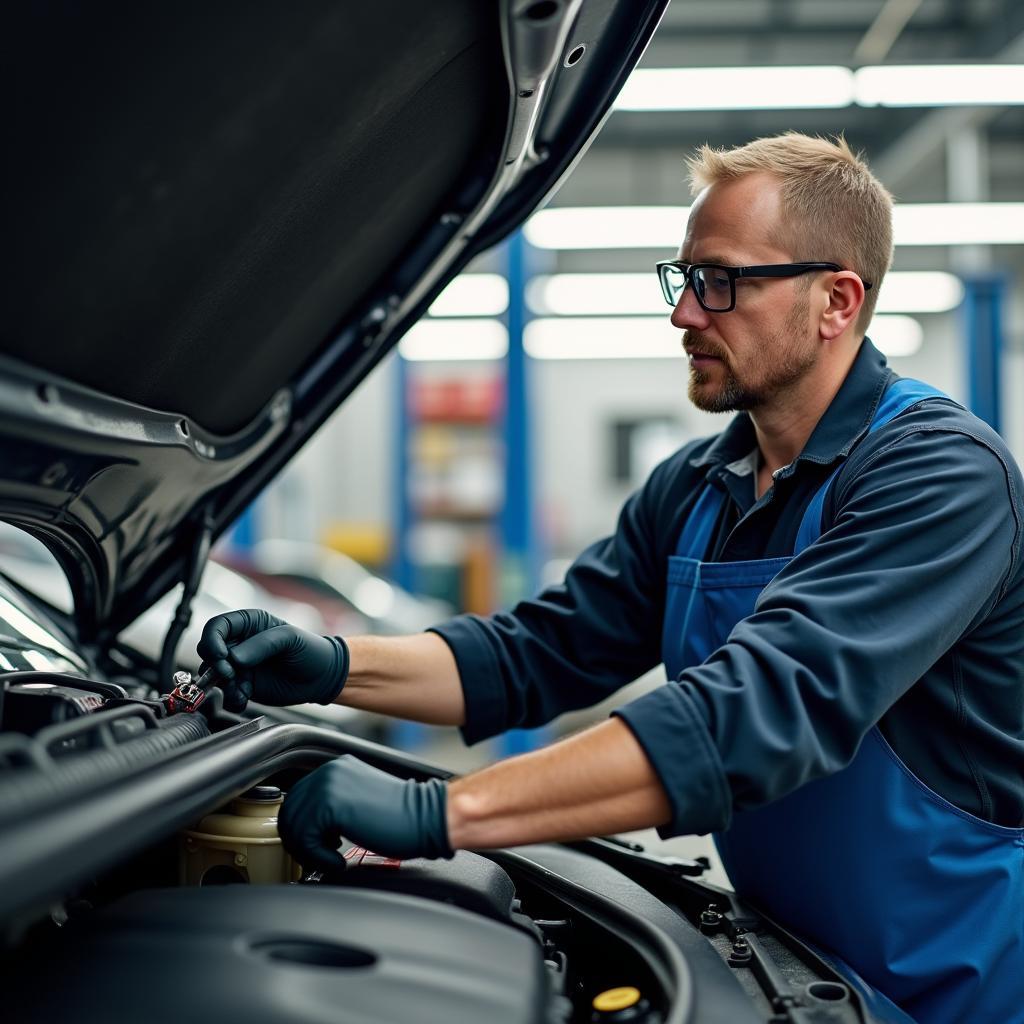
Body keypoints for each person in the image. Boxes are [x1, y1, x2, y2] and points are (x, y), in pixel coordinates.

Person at [198, 133, 1023, 1024]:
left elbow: (762, 710)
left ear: (835, 300)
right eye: (682, 281)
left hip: (954, 989)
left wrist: (444, 812)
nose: (685, 316)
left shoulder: (940, 474)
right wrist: (331, 665)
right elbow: (538, 652)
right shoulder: (697, 487)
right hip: (798, 959)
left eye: (720, 282)